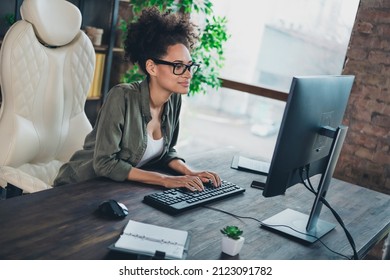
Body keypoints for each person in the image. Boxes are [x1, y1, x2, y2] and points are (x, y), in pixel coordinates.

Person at [53, 7, 221, 191]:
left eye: (190, 66)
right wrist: (165, 180)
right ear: (152, 67)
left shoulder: (173, 100)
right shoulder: (121, 97)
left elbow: (167, 152)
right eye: (178, 66)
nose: (188, 75)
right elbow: (105, 164)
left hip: (117, 189)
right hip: (78, 187)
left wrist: (190, 172)